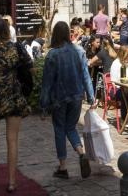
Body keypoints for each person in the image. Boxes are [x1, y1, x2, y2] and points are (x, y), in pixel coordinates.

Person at [0, 18, 34, 192]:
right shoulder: (16, 48)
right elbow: (31, 69)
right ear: (7, 32)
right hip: (14, 95)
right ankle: (11, 181)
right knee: (12, 140)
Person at [40, 22, 95, 180]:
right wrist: (91, 97)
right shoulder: (79, 51)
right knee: (71, 127)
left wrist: (44, 105)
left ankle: (63, 167)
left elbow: (47, 83)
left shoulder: (52, 54)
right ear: (68, 34)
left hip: (59, 98)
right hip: (77, 96)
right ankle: (81, 153)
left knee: (59, 129)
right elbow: (86, 76)